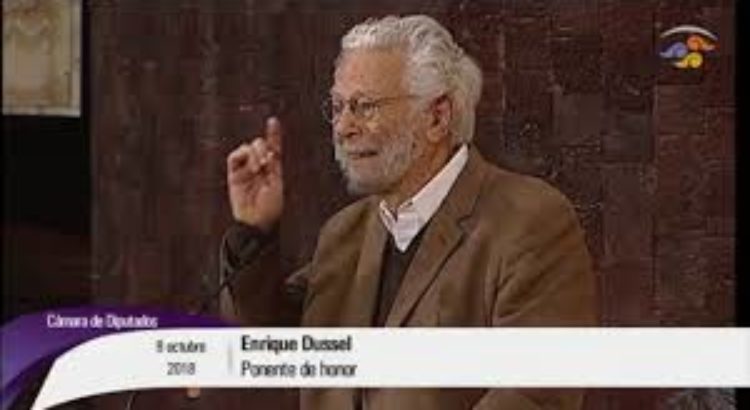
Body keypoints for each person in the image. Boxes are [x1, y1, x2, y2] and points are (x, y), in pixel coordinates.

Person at [220, 14, 597, 410]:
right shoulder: (344, 233)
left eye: (365, 106)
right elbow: (268, 347)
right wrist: (253, 230)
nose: (344, 127)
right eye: (338, 106)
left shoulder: (529, 221)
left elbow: (536, 392)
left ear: (437, 117)